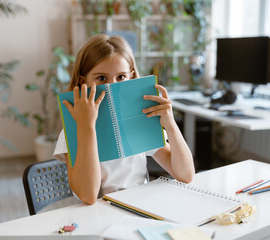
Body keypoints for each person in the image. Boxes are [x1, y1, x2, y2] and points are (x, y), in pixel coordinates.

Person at [54, 34, 195, 205]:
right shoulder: (72, 130)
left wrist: (170, 125)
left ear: (131, 76)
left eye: (121, 77)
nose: (112, 87)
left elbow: (185, 174)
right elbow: (88, 195)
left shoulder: (138, 121)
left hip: (139, 208)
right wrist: (86, 127)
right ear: (83, 81)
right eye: (101, 78)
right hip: (97, 215)